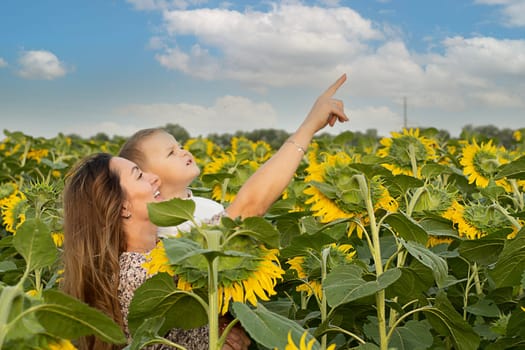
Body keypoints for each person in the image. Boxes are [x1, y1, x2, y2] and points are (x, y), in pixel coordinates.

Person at [62, 153, 251, 350]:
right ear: (123, 207)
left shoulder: (157, 250)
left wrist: (221, 326)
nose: (155, 178)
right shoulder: (139, 273)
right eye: (139, 176)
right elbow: (244, 210)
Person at [118, 74, 349, 234]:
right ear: (150, 180)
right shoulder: (160, 227)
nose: (183, 151)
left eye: (179, 146)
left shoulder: (205, 205)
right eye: (171, 153)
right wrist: (308, 126)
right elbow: (248, 208)